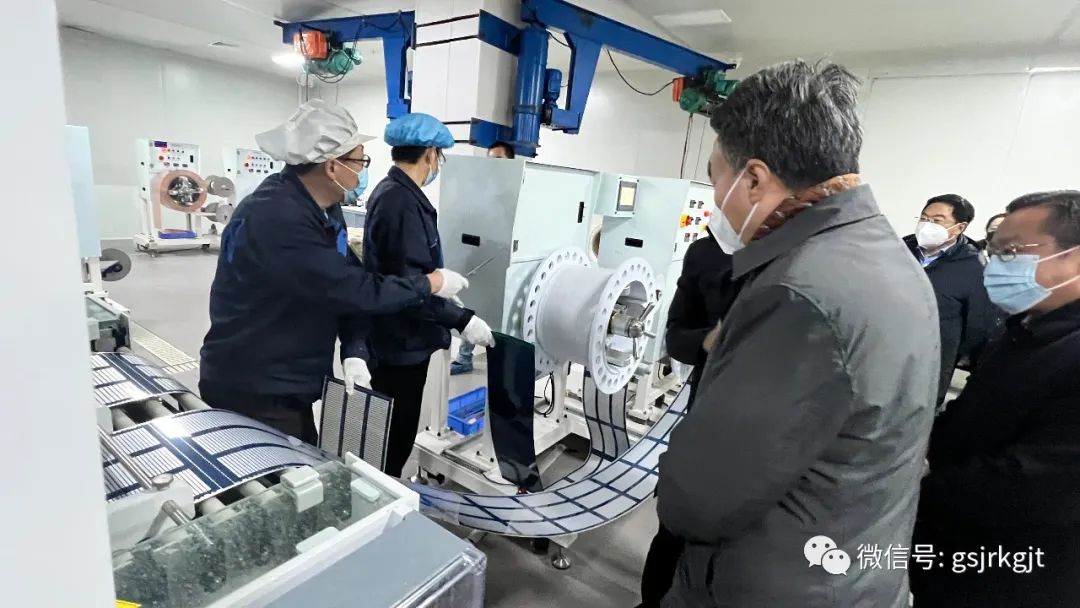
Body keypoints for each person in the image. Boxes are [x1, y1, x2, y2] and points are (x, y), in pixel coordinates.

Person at [655, 60, 938, 607]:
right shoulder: (885, 255)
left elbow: (698, 500)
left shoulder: (800, 292)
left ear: (754, 179)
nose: (715, 196)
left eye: (716, 176)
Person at [199, 99, 469, 444]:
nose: (362, 171)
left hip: (288, 375)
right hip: (256, 384)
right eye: (359, 161)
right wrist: (432, 283)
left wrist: (354, 348)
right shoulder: (277, 217)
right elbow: (353, 289)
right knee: (287, 472)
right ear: (332, 166)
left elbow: (348, 275)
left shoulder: (323, 207)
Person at [912, 191, 1080, 608]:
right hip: (953, 557)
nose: (997, 265)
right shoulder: (1025, 330)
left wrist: (914, 491)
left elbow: (1035, 485)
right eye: (995, 251)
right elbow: (973, 415)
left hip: (1021, 573)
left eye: (1013, 252)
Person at [364, 113, 495, 477]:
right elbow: (408, 286)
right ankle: (384, 491)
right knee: (396, 431)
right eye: (439, 156)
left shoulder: (394, 193)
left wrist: (441, 290)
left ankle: (382, 484)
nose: (437, 163)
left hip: (398, 336)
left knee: (392, 426)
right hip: (401, 341)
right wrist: (461, 319)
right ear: (429, 154)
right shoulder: (400, 202)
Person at [638, 227, 742, 608]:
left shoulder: (802, 258)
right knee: (673, 534)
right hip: (706, 420)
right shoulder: (706, 254)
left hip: (763, 439)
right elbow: (676, 337)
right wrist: (707, 340)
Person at [904, 194, 1000, 405]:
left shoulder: (975, 267)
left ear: (959, 227)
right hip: (878, 352)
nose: (927, 225)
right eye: (924, 218)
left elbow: (976, 327)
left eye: (937, 221)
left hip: (929, 366)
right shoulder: (899, 249)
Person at [450, 141, 517, 375]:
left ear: (510, 162)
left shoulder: (516, 191)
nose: (492, 165)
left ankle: (501, 362)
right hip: (483, 252)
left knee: (500, 310)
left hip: (506, 257)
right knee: (472, 299)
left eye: (498, 160)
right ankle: (464, 357)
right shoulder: (484, 188)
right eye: (490, 160)